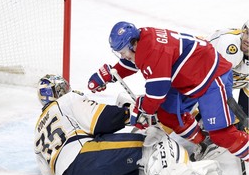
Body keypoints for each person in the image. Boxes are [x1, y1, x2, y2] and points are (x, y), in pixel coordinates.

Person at [34, 74, 229, 175]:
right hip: (86, 158)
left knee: (145, 173)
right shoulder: (67, 100)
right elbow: (100, 119)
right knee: (153, 142)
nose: (67, 89)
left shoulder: (37, 131)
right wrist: (132, 114)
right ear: (59, 90)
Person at [87, 21, 248, 162]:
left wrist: (141, 109)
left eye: (122, 52)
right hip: (190, 76)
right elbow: (134, 62)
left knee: (221, 134)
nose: (122, 56)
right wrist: (110, 74)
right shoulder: (142, 38)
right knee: (167, 112)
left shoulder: (152, 51)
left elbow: (157, 93)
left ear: (132, 44)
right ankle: (203, 142)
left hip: (211, 77)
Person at [207, 20, 249, 131]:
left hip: (221, 80)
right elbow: (216, 88)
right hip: (200, 75)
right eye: (248, 33)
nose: (248, 40)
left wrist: (244, 122)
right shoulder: (230, 45)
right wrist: (240, 116)